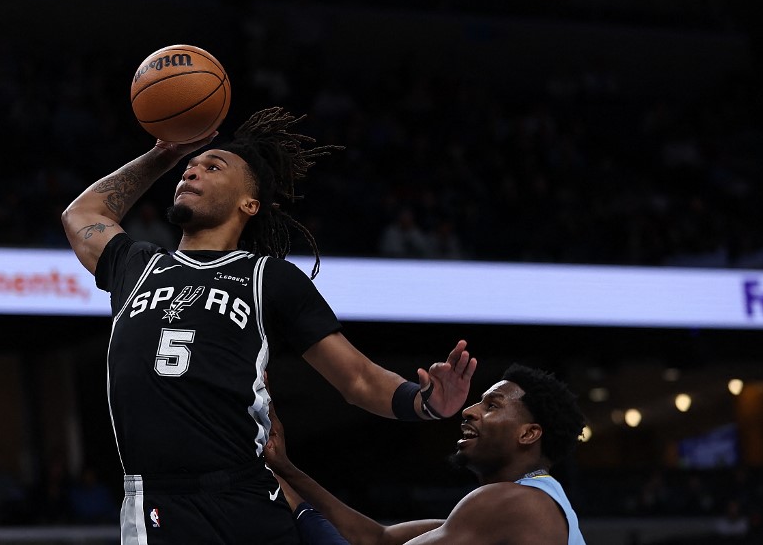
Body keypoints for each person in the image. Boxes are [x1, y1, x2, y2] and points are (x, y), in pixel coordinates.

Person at [62, 107, 474, 544]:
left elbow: (355, 377)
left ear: (249, 203)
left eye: (212, 166)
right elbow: (81, 213)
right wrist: (162, 155)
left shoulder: (269, 277)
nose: (192, 172)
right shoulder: (138, 265)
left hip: (246, 492)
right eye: (188, 169)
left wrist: (426, 403)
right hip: (159, 500)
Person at [264, 363, 588, 545]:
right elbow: (377, 539)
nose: (470, 411)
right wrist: (285, 469)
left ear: (529, 433)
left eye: (492, 406)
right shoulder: (522, 505)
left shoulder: (514, 502)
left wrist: (295, 505)